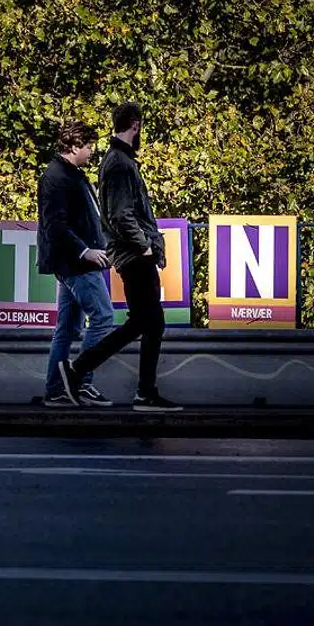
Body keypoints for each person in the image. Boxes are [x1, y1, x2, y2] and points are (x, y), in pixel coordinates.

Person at [58, 102, 182, 412]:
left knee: (146, 323)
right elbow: (121, 214)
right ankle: (91, 374)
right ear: (136, 125)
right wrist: (145, 246)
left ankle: (129, 387)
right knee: (149, 323)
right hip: (134, 256)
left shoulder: (118, 161)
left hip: (132, 254)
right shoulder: (119, 163)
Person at [36, 120, 115, 407]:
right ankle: (80, 382)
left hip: (74, 261)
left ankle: (56, 390)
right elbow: (55, 226)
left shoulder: (70, 173)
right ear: (73, 146)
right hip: (76, 263)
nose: (92, 150)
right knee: (103, 317)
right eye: (88, 146)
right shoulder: (56, 177)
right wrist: (85, 252)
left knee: (67, 328)